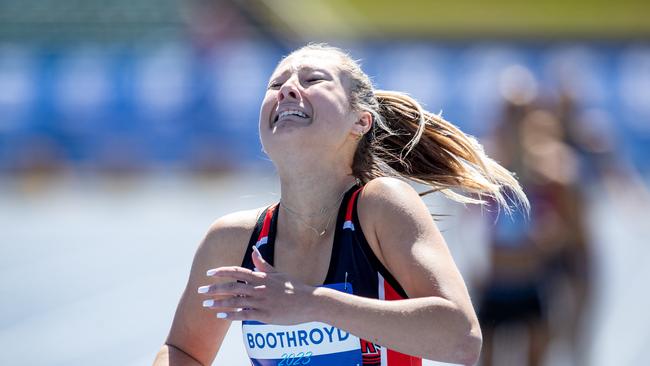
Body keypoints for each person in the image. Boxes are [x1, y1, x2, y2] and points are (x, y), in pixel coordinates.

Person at [153, 43, 528, 366]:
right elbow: (184, 351)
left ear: (360, 121)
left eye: (313, 80)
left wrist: (311, 303)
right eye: (276, 84)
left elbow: (461, 338)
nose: (287, 91)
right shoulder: (232, 240)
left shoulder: (380, 207)